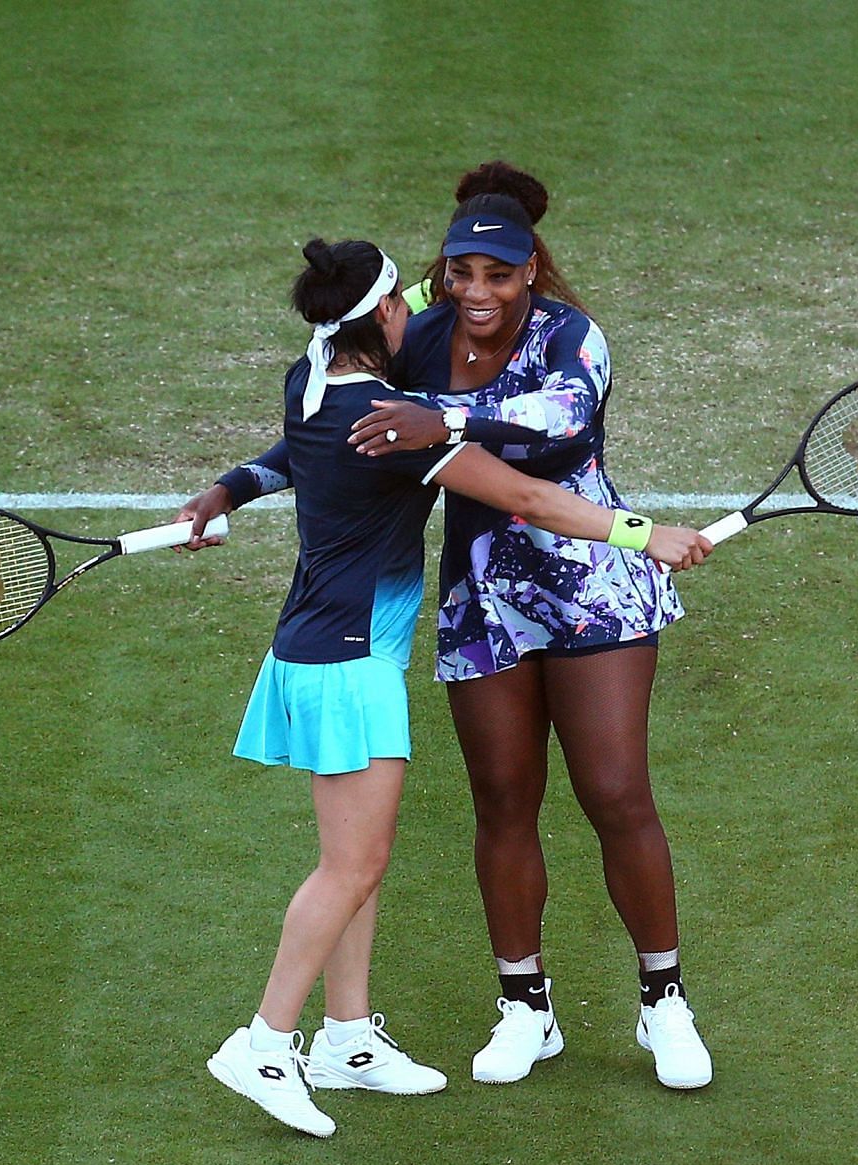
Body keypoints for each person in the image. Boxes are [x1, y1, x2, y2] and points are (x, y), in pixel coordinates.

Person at [186, 163, 716, 1094]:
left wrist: (438, 417)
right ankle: (525, 1006)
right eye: (458, 273)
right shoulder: (418, 332)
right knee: (502, 799)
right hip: (483, 597)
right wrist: (240, 481)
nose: (476, 292)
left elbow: (560, 421)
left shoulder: (572, 337)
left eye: (499, 275)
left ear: (532, 273)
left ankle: (662, 999)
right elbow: (334, 424)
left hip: (593, 585)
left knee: (614, 791)